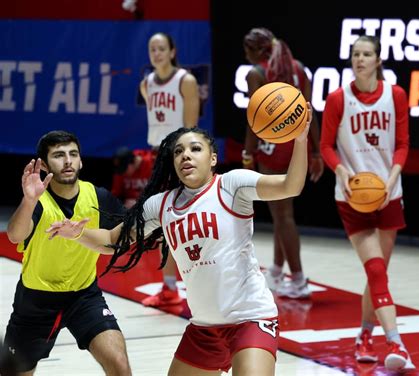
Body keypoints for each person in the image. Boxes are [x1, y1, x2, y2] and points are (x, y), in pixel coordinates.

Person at [45, 117, 311, 375]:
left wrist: (300, 140)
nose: (186, 155)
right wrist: (77, 234)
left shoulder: (232, 185)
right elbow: (114, 241)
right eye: (179, 152)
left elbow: (291, 185)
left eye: (196, 149)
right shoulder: (161, 205)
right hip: (204, 329)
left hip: (251, 318)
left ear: (213, 159)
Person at [320, 35, 414, 372]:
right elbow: (326, 146)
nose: (360, 59)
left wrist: (392, 178)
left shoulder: (396, 95)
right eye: (356, 54)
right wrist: (341, 171)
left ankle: (363, 334)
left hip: (389, 192)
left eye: (367, 54)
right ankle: (397, 344)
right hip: (351, 196)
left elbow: (402, 143)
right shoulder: (338, 98)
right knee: (375, 269)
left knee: (379, 275)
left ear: (378, 60)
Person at [2, 131, 131, 375]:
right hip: (36, 302)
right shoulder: (38, 201)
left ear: (81, 161)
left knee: (119, 364)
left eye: (73, 154)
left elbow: (119, 242)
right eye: (59, 155)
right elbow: (15, 235)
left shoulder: (99, 196)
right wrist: (29, 200)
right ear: (45, 164)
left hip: (84, 296)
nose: (68, 160)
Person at [242, 27, 324, 299]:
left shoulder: (256, 73)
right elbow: (310, 111)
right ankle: (277, 271)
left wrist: (248, 154)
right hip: (297, 144)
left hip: (273, 147)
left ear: (255, 51)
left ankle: (299, 280)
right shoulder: (299, 67)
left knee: (282, 216)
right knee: (282, 214)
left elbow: (254, 121)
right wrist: (315, 152)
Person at [139, 32, 201, 308]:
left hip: (179, 159)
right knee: (166, 226)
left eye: (162, 48)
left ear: (173, 51)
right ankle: (169, 288)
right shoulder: (147, 83)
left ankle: (192, 286)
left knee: (186, 226)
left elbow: (191, 130)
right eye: (153, 49)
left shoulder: (185, 81)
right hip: (158, 156)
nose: (157, 53)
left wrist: (182, 163)